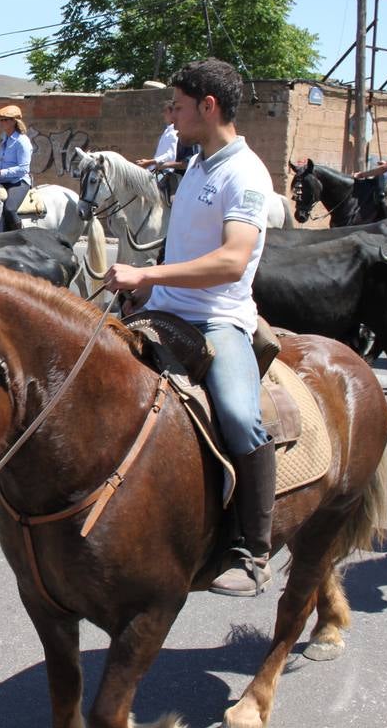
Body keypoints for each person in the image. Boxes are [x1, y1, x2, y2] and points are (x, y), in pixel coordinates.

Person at [103, 58, 276, 597]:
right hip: (164, 308)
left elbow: (231, 260)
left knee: (240, 415)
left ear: (209, 106)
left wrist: (147, 271)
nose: (168, 113)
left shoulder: (245, 174)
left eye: (176, 105)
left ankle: (254, 549)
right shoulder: (197, 163)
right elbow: (187, 248)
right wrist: (146, 289)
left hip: (217, 320)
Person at [0, 104, 32, 232]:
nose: (2, 122)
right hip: (4, 180)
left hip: (19, 182)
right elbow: (6, 163)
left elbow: (23, 169)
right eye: (1, 120)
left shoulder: (22, 141)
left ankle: (20, 237)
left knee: (10, 209)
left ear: (14, 121)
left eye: (5, 120)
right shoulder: (6, 139)